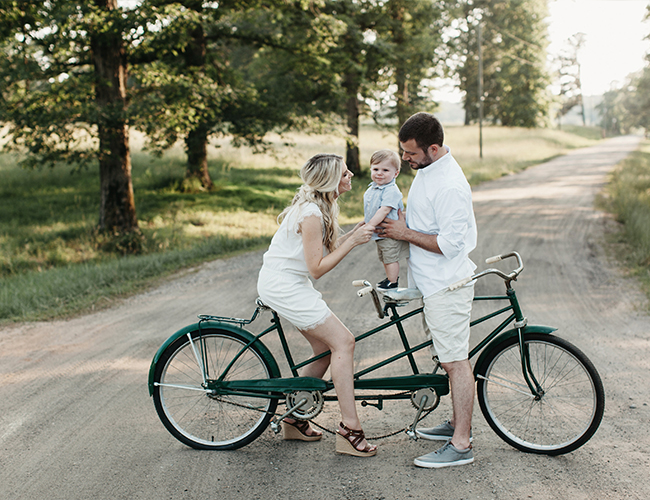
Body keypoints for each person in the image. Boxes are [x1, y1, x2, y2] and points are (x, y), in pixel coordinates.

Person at [257, 153, 378, 457]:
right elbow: (317, 268)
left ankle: (295, 416)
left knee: (326, 348)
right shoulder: (310, 213)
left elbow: (324, 252)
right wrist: (352, 242)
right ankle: (350, 429)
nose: (351, 175)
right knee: (344, 341)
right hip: (284, 285)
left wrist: (352, 234)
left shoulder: (320, 207)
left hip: (289, 283)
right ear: (330, 180)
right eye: (345, 173)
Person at [378, 112, 477, 468]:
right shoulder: (428, 169)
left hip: (447, 285)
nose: (405, 158)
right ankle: (454, 424)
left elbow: (451, 244)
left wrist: (403, 234)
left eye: (410, 153)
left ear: (433, 148)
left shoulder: (449, 184)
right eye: (402, 151)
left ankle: (461, 443)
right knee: (448, 358)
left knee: (455, 362)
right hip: (431, 284)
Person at [363, 150, 410, 290]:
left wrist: (370, 225)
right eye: (375, 169)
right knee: (384, 256)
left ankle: (393, 281)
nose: (379, 173)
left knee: (390, 257)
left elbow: (384, 210)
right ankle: (389, 278)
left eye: (385, 170)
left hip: (390, 232)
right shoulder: (373, 188)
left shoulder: (391, 191)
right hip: (380, 233)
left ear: (395, 173)